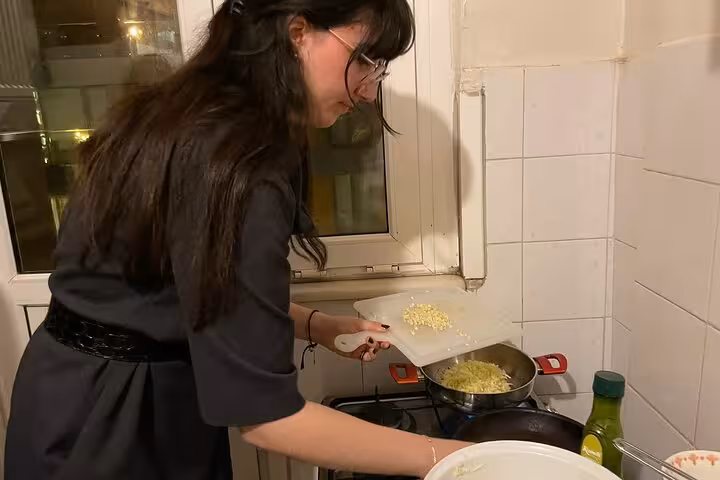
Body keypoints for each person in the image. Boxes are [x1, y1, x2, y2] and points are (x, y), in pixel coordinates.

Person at [5, 0, 470, 479]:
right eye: (368, 60)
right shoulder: (235, 163)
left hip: (73, 390)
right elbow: (268, 418)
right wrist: (455, 459)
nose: (370, 91)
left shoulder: (190, 111)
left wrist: (316, 325)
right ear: (298, 32)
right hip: (113, 423)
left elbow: (184, 287)